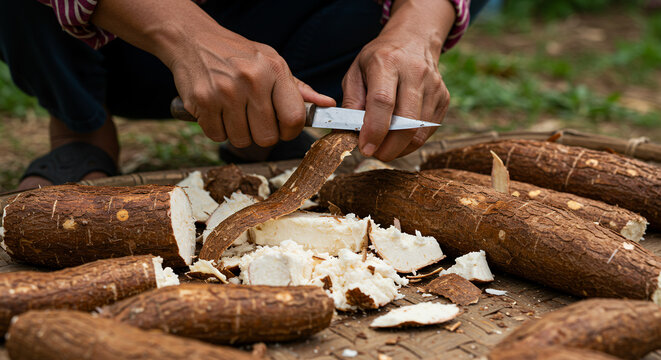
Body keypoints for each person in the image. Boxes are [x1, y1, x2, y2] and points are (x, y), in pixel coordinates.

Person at [0, 0, 488, 190]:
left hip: (288, 30)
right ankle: (79, 125)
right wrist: (185, 32)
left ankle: (260, 124)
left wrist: (417, 29)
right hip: (114, 39)